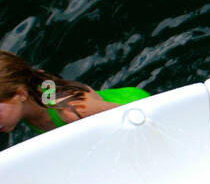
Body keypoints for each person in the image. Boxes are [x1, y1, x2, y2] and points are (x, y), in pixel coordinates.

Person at [0, 50, 150, 136]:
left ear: (20, 94)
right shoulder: (27, 95)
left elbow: (137, 119)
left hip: (137, 108)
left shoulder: (73, 111)